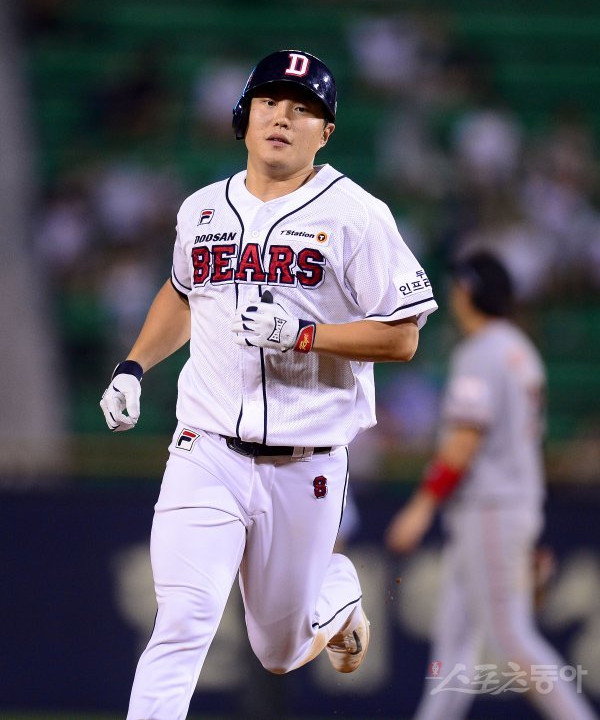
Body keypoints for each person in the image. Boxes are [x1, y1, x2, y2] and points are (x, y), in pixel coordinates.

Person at [99, 49, 438, 720]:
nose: (282, 117)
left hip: (304, 463)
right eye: (269, 101)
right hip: (205, 448)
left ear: (326, 132)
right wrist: (133, 367)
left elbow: (402, 336)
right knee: (183, 620)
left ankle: (334, 589)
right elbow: (183, 292)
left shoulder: (357, 215)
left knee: (278, 650)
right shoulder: (202, 208)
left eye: (303, 108)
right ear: (243, 116)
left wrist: (304, 334)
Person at [385, 252, 597, 720]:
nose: (453, 296)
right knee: (454, 647)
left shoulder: (481, 352)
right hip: (506, 505)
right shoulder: (519, 349)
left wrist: (420, 507)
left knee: (510, 638)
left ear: (469, 292)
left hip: (491, 508)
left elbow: (464, 441)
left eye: (458, 287)